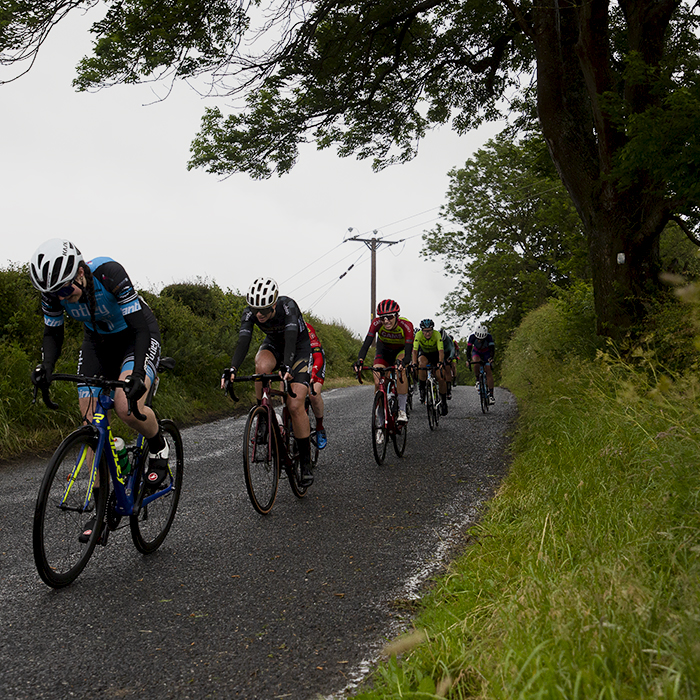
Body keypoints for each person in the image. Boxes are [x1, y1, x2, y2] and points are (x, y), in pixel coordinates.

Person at [29, 238, 168, 542]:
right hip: (97, 343)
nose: (64, 298)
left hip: (135, 336)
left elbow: (141, 329)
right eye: (56, 294)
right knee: (90, 419)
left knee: (125, 405)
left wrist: (137, 374)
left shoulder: (108, 273)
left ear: (81, 271)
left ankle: (159, 447)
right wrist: (46, 367)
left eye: (67, 290)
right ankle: (102, 505)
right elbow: (53, 332)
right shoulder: (54, 294)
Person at [222, 278, 315, 487]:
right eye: (255, 310)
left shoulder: (288, 306)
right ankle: (263, 414)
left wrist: (288, 366)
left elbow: (291, 337)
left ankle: (306, 463)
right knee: (261, 368)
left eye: (263, 311)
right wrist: (233, 369)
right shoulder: (250, 313)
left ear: (274, 305)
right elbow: (243, 341)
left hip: (298, 349)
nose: (259, 315)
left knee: (294, 404)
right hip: (273, 345)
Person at [353, 299, 414, 425]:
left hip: (400, 350)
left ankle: (402, 410)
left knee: (400, 370)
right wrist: (360, 360)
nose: (385, 321)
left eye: (389, 317)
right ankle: (381, 418)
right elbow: (366, 344)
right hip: (384, 350)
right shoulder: (376, 323)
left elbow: (408, 353)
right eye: (382, 318)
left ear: (397, 316)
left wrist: (404, 362)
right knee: (377, 378)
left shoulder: (406, 325)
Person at [411, 319, 449, 415]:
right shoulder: (418, 335)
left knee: (440, 377)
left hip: (435, 355)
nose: (427, 333)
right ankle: (422, 388)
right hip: (424, 354)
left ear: (433, 329)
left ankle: (443, 401)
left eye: (429, 331)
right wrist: (414, 364)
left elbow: (441, 350)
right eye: (425, 331)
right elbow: (415, 351)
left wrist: (440, 362)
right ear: (422, 330)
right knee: (422, 365)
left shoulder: (437, 335)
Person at [305, 321, 327, 450]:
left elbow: (317, 356)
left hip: (314, 358)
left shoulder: (307, 329)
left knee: (313, 394)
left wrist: (313, 373)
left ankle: (319, 427)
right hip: (295, 359)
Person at [467, 324, 496, 404]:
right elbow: (468, 349)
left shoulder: (489, 337)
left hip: (486, 353)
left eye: (482, 339)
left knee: (488, 370)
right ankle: (477, 380)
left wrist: (491, 358)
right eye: (478, 339)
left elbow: (492, 349)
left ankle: (491, 395)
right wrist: (469, 359)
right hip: (476, 352)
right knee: (476, 363)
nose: (479, 340)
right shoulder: (472, 337)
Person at [438, 327, 457, 400]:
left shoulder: (448, 339)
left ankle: (448, 391)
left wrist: (451, 357)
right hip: (439, 353)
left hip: (447, 353)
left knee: (447, 369)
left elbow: (452, 349)